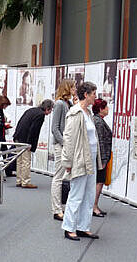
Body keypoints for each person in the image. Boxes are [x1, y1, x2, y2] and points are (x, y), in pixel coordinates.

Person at [61, 82, 102, 241]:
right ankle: (69, 227)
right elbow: (69, 139)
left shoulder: (88, 113)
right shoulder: (75, 113)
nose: (95, 97)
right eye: (93, 94)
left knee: (89, 194)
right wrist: (68, 163)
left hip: (90, 159)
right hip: (79, 159)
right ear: (86, 94)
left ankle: (83, 227)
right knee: (77, 194)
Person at [13, 99, 54, 188]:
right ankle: (25, 181)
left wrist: (15, 136)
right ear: (47, 108)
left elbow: (20, 123)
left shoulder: (31, 110)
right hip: (25, 139)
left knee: (19, 161)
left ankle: (19, 180)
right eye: (51, 110)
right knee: (26, 161)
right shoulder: (40, 115)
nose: (50, 112)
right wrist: (30, 143)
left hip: (18, 136)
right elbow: (34, 131)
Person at [50, 79, 75, 221]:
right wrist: (64, 143)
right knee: (58, 176)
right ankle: (56, 209)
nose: (75, 89)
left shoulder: (69, 104)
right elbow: (55, 128)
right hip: (61, 145)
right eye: (73, 87)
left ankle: (61, 206)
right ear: (67, 88)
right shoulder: (59, 104)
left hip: (67, 145)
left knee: (66, 176)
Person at [92, 98, 112, 217]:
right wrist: (103, 160)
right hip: (100, 158)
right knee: (99, 181)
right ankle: (94, 206)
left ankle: (94, 205)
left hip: (101, 157)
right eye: (106, 107)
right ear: (101, 109)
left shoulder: (97, 120)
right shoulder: (98, 122)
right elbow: (100, 142)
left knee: (99, 181)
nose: (108, 109)